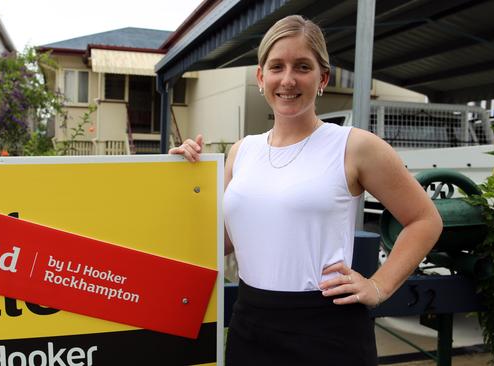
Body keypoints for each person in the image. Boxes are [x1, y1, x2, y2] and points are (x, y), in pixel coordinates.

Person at [170, 14, 442, 366]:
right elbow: (221, 241)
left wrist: (379, 286)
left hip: (327, 331)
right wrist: (176, 177)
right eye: (276, 66)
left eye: (302, 66)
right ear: (260, 76)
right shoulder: (241, 151)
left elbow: (425, 219)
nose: (287, 80)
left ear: (322, 78)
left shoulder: (355, 146)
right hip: (250, 325)